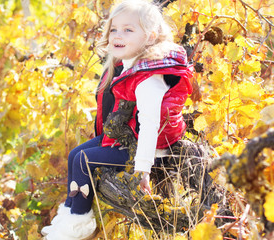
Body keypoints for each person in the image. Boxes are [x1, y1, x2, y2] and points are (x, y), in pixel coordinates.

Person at [41, 0, 193, 239]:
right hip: (130, 134)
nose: (117, 35)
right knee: (74, 155)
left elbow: (151, 125)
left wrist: (142, 169)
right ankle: (69, 215)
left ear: (151, 37)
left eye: (128, 29)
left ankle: (77, 228)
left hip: (147, 148)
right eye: (114, 29)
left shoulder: (148, 79)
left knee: (83, 160)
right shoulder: (133, 65)